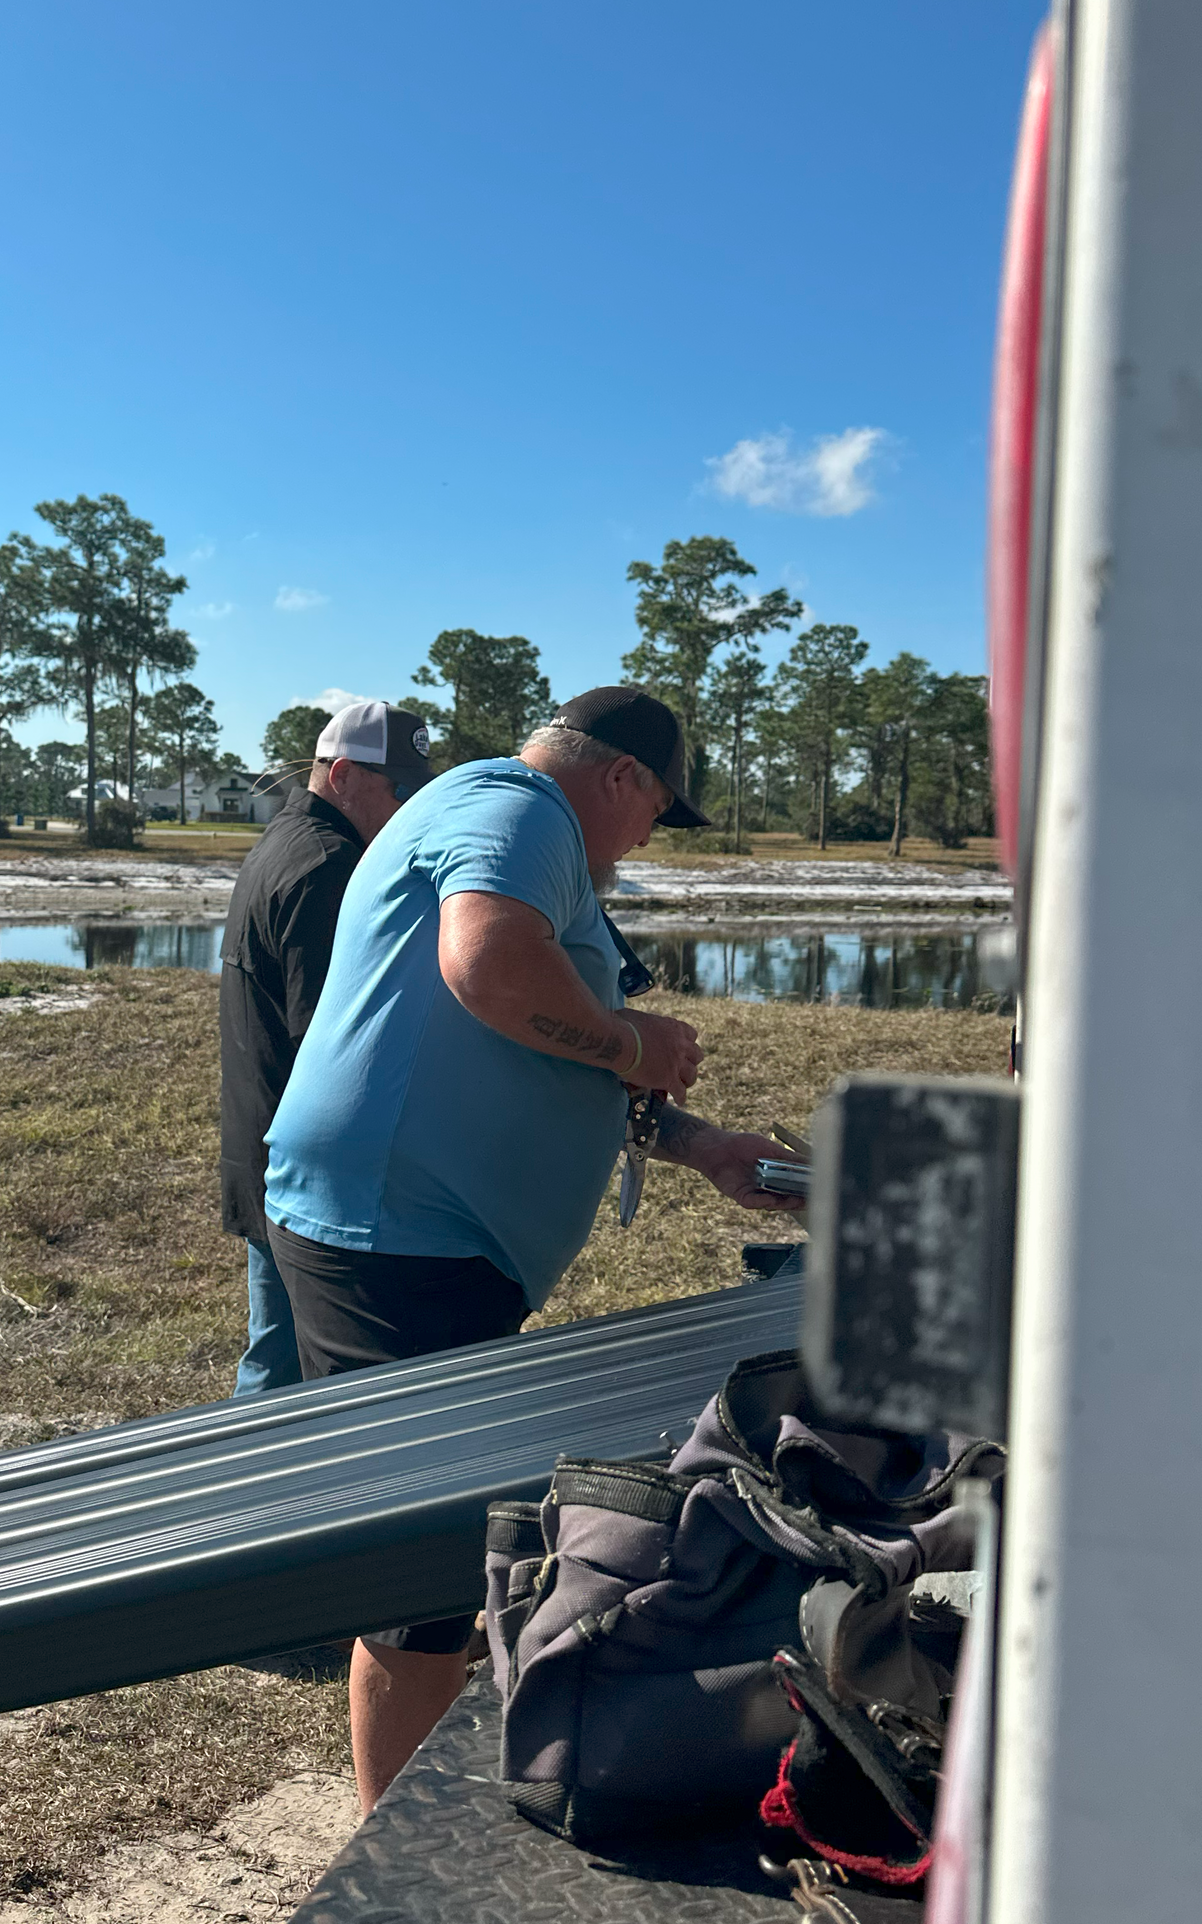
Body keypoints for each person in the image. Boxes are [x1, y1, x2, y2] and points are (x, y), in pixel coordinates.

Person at [262, 685, 802, 1810]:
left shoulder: (529, 838)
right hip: (395, 1238)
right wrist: (629, 1036)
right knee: (418, 1576)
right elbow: (492, 967)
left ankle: (397, 1801)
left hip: (427, 1240)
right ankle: (384, 1844)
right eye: (657, 811)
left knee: (435, 1557)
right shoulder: (519, 808)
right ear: (620, 780)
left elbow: (555, 1055)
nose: (648, 838)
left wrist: (699, 1145)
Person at [219, 698, 436, 1393]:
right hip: (304, 1175)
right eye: (398, 790)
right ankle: (246, 1493)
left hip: (267, 1141)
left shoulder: (285, 841)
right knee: (289, 1373)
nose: (408, 808)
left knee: (274, 1353)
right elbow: (337, 1039)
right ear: (342, 774)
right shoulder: (328, 866)